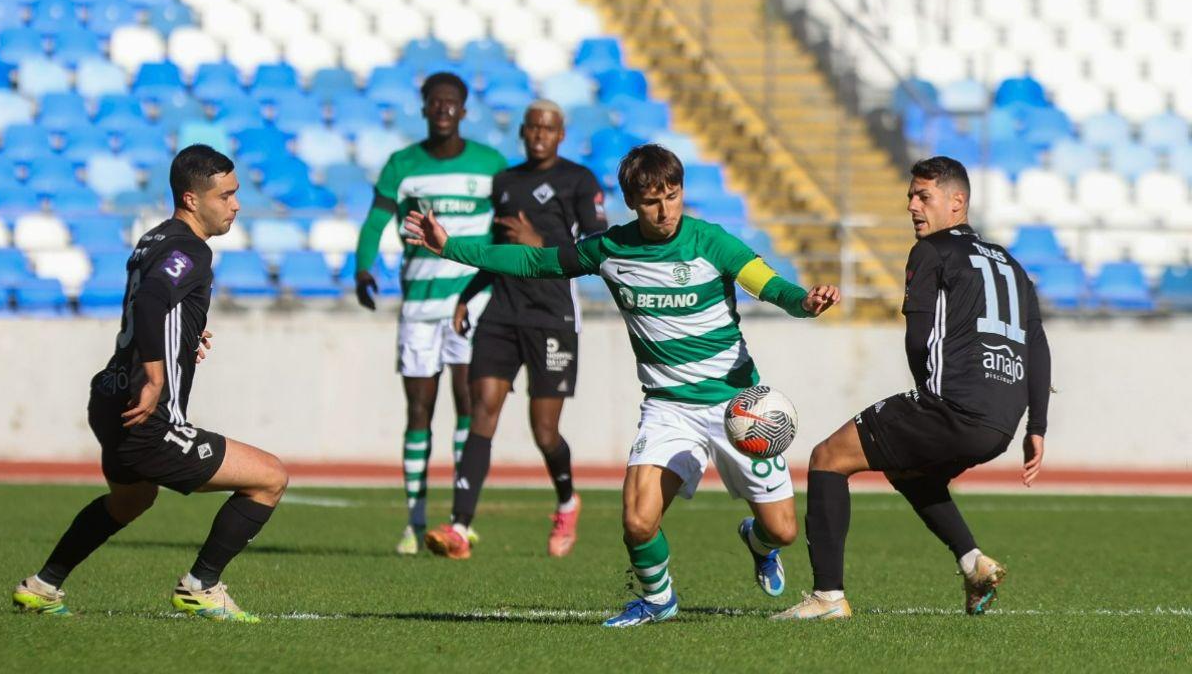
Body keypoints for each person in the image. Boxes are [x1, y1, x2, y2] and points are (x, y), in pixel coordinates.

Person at [406, 144, 841, 627]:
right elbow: (533, 262)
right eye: (653, 200)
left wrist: (806, 301)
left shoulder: (711, 241)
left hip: (738, 407)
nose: (665, 210)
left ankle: (756, 542)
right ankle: (657, 599)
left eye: (673, 196)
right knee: (637, 520)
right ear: (633, 202)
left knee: (781, 530)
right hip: (667, 409)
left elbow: (769, 284)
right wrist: (450, 247)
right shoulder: (610, 249)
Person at [11, 145, 289, 623]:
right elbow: (152, 300)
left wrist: (180, 338)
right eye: (226, 195)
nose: (236, 205)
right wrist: (158, 373)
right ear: (191, 198)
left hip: (109, 399)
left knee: (132, 499)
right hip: (148, 418)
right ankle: (201, 586)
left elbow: (155, 304)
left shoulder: (152, 239)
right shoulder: (191, 248)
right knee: (270, 478)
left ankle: (42, 585)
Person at [772, 156, 1051, 621]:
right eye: (910, 197)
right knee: (909, 470)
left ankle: (827, 598)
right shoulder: (1011, 264)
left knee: (827, 458)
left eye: (924, 197)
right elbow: (1037, 346)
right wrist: (1036, 424)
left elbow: (918, 339)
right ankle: (972, 562)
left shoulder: (932, 251)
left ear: (957, 203)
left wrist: (927, 397)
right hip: (1001, 424)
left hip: (953, 406)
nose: (912, 207)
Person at [422, 100, 608, 560]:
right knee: (481, 408)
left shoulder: (579, 180)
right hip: (501, 312)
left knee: (544, 431)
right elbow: (498, 248)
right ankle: (459, 527)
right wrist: (469, 292)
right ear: (523, 132)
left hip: (552, 316)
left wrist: (541, 244)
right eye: (532, 127)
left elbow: (597, 247)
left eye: (548, 128)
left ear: (561, 134)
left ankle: (567, 501)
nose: (539, 134)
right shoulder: (505, 182)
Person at [354, 72, 509, 555]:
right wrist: (363, 268)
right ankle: (414, 520)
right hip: (419, 305)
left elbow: (507, 226)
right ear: (424, 108)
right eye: (435, 102)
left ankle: (461, 519)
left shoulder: (491, 165)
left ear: (464, 110)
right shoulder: (402, 165)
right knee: (418, 410)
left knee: (470, 406)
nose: (443, 109)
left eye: (452, 103)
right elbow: (376, 221)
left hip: (472, 303)